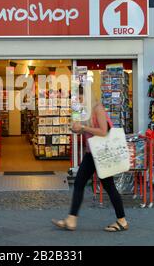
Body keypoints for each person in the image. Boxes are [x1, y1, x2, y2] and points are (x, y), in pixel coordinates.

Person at [52, 86, 128, 232]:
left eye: (80, 99)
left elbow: (103, 131)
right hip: (92, 153)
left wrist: (84, 128)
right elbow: (87, 131)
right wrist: (77, 129)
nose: (79, 102)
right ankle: (72, 219)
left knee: (107, 186)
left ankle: (122, 220)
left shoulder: (97, 108)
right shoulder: (85, 111)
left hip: (100, 153)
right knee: (80, 183)